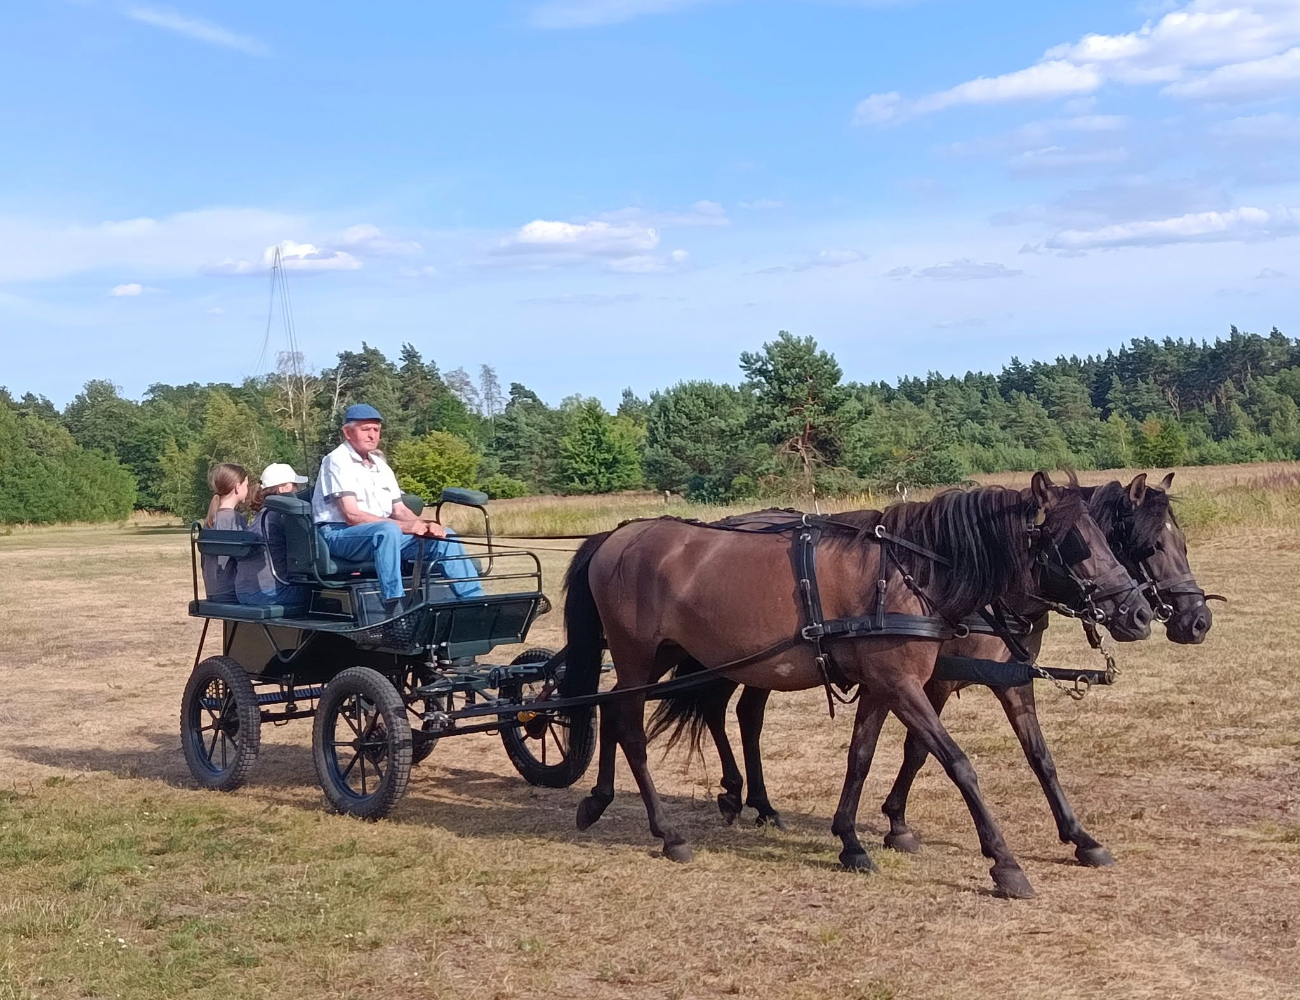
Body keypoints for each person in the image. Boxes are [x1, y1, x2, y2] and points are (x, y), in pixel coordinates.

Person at [312, 404, 484, 605]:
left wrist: (425, 526)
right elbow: (352, 516)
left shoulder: (381, 467)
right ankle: (394, 602)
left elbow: (400, 509)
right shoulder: (336, 460)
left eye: (376, 430)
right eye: (365, 430)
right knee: (388, 530)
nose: (372, 436)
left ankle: (477, 602)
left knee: (446, 536)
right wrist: (403, 526)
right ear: (348, 432)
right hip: (339, 535)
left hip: (381, 534)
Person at [236, 462, 310, 612]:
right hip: (270, 593)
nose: (299, 490)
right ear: (284, 488)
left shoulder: (263, 514)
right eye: (295, 485)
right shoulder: (283, 515)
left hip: (245, 591)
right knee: (322, 595)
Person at [201, 462, 248, 602]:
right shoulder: (235, 519)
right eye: (246, 484)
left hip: (213, 592)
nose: (248, 489)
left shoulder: (210, 520)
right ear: (237, 487)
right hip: (231, 591)